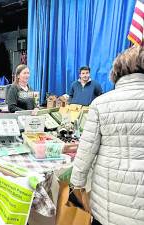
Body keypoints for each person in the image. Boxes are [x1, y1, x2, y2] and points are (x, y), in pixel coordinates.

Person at [70, 46, 144, 225]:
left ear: (116, 71)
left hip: (108, 206)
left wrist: (75, 188)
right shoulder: (80, 90)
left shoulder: (101, 104)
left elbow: (85, 153)